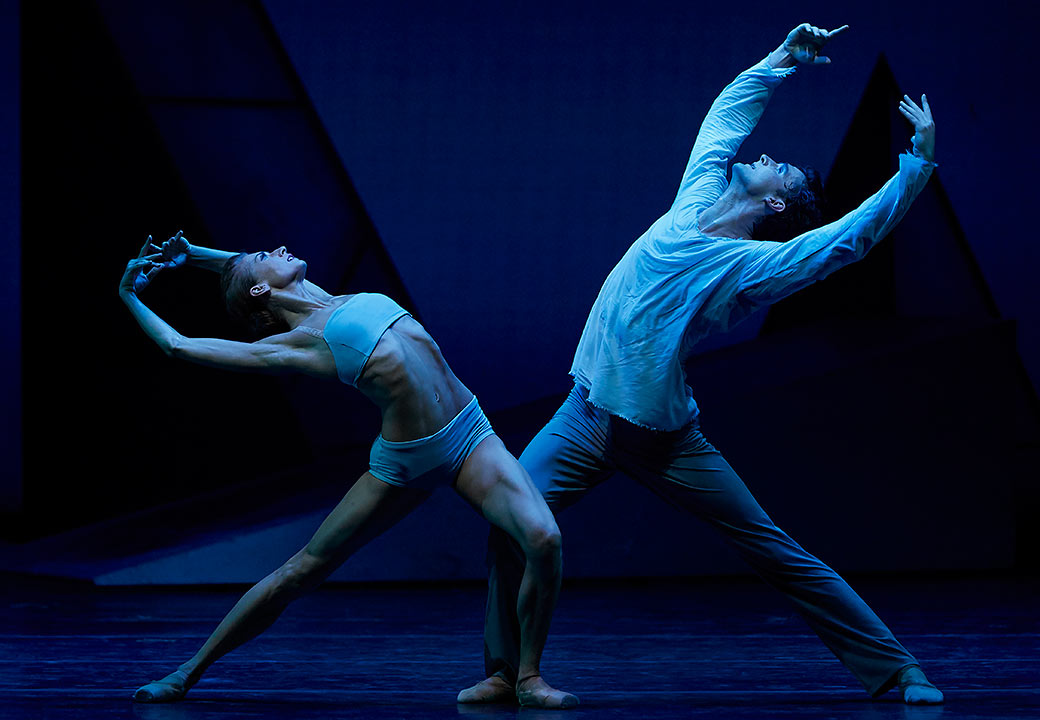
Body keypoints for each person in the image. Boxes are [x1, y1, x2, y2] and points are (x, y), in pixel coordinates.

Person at [458, 22, 944, 706]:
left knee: (774, 549)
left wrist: (915, 169)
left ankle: (898, 671)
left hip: (659, 438)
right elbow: (725, 116)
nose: (768, 156)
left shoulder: (747, 268)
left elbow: (844, 243)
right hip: (584, 412)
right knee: (508, 518)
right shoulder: (695, 198)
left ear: (775, 202)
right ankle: (505, 671)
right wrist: (784, 59)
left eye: (781, 167)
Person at [119, 233, 578, 708]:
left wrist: (192, 256)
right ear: (260, 291)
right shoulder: (299, 342)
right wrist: (129, 295)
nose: (277, 247)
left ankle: (527, 679)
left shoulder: (323, 297)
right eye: (263, 256)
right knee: (304, 569)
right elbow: (179, 345)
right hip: (406, 460)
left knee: (544, 539)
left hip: (470, 436)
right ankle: (184, 673)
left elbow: (244, 275)